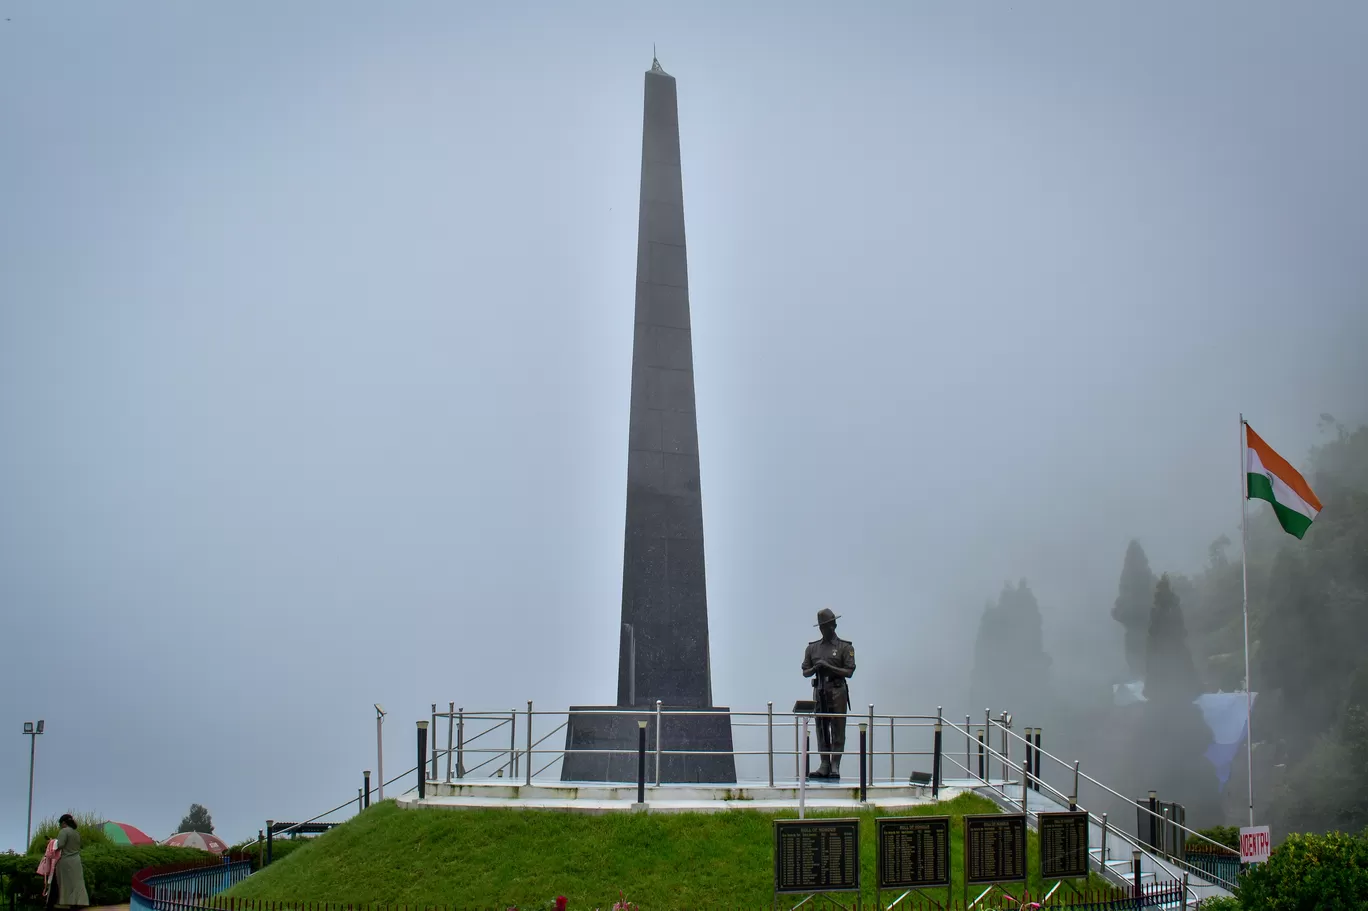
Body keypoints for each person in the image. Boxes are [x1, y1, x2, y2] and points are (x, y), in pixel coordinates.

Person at [801, 608, 856, 780]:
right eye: (823, 626)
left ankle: (835, 764)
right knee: (821, 727)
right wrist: (816, 668)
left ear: (834, 625)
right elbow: (805, 671)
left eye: (828, 625)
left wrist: (829, 667)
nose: (826, 629)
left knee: (838, 728)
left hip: (837, 690)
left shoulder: (845, 647)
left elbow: (849, 671)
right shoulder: (812, 648)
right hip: (820, 691)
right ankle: (824, 763)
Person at [49, 815, 89, 910]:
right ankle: (78, 902)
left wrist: (52, 842)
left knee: (65, 883)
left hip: (66, 861)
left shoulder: (64, 831)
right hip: (76, 860)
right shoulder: (76, 833)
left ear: (63, 823)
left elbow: (60, 845)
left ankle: (60, 902)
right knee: (76, 883)